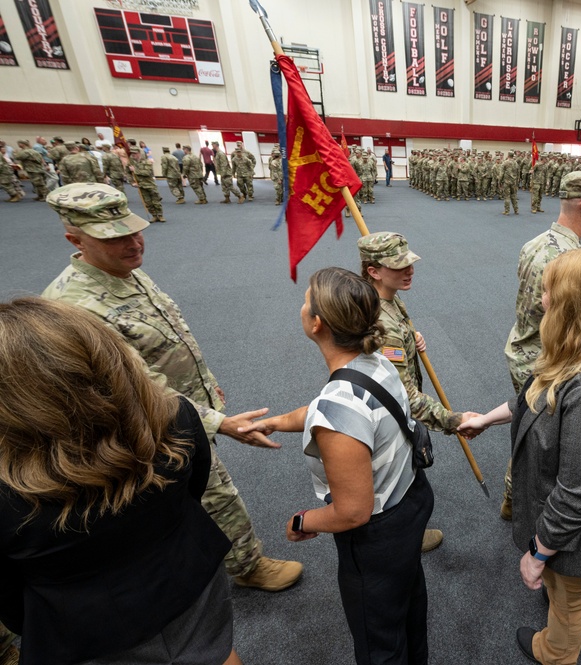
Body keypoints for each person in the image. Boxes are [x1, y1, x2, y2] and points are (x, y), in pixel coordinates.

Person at [41, 183, 302, 592]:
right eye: (115, 237)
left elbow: (167, 340)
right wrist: (219, 423)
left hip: (187, 406)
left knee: (182, 491)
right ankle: (247, 566)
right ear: (74, 240)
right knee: (213, 492)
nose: (133, 242)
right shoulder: (80, 309)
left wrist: (206, 391)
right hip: (149, 421)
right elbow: (138, 389)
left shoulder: (125, 272)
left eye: (133, 229)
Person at [0, 297, 239, 665]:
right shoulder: (177, 420)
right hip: (192, 586)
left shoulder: (9, 497)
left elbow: (10, 599)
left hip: (80, 632)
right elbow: (192, 491)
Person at [240, 267, 434, 665]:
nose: (303, 304)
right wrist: (279, 420)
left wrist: (301, 522)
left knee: (378, 637)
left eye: (306, 299)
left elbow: (352, 512)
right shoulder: (377, 362)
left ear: (316, 323)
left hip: (377, 538)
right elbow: (332, 408)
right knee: (409, 606)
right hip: (411, 502)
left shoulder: (338, 406)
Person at [460, 248, 581, 665]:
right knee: (568, 594)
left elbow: (580, 492)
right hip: (561, 519)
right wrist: (487, 419)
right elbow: (533, 398)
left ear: (567, 303)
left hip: (579, 531)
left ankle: (556, 653)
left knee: (570, 602)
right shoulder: (575, 351)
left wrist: (539, 552)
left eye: (546, 292)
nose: (540, 299)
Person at [501, 172, 581, 519]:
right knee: (546, 447)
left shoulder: (536, 242)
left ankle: (513, 495)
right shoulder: (569, 261)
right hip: (549, 361)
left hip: (524, 348)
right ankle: (522, 503)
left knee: (528, 431)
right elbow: (573, 327)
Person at [358, 231, 477, 552]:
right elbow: (404, 399)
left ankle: (403, 528)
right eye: (399, 266)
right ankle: (398, 537)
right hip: (388, 417)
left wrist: (410, 337)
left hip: (381, 404)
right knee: (395, 480)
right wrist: (454, 421)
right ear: (374, 270)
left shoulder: (384, 297)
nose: (409, 271)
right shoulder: (383, 321)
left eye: (409, 263)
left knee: (402, 477)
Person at [129, 147, 166, 223]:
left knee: (156, 201)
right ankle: (154, 215)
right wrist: (132, 182)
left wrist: (135, 170)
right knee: (148, 202)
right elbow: (128, 173)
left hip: (150, 185)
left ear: (139, 153)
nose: (133, 155)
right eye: (132, 153)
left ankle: (160, 215)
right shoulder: (131, 164)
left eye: (135, 153)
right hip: (141, 186)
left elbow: (147, 173)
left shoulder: (147, 162)